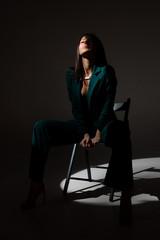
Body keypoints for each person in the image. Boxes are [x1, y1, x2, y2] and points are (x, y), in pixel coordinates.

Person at [21, 33, 133, 224]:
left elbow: (107, 106)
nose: (84, 41)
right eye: (82, 40)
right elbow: (76, 108)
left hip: (104, 124)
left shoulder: (106, 71)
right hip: (81, 126)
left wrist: (97, 134)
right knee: (41, 127)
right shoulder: (70, 74)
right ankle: (36, 184)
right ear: (78, 49)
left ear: (96, 48)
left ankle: (125, 193)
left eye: (89, 40)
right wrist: (84, 133)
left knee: (122, 130)